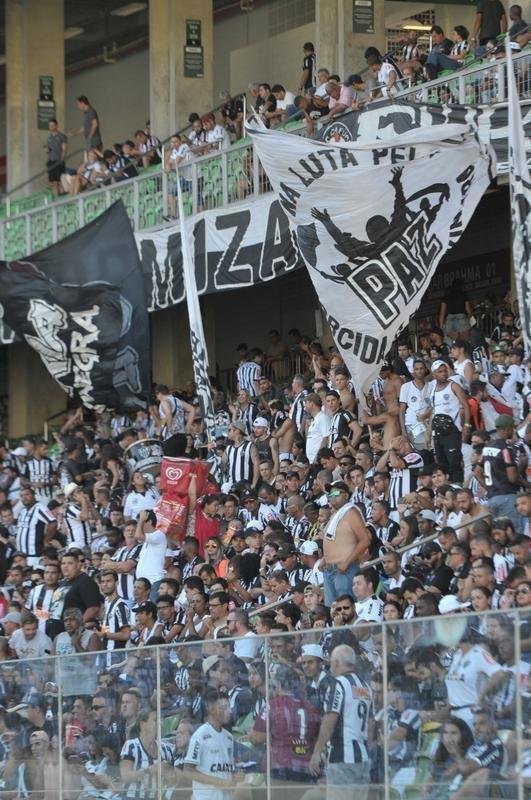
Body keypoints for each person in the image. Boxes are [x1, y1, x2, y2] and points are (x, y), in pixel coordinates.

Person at [309, 644, 372, 799]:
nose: (330, 667)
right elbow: (371, 723)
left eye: (330, 662)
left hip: (342, 757)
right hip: (363, 758)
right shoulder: (365, 686)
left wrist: (317, 752)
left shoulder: (339, 684)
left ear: (336, 663)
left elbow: (330, 719)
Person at [322, 480, 370, 606]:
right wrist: (324, 559)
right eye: (330, 494)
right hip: (330, 569)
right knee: (333, 611)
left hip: (345, 569)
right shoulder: (336, 515)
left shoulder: (351, 512)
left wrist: (347, 562)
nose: (332, 496)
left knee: (346, 608)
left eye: (337, 493)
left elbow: (365, 540)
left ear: (346, 495)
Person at [184, 688, 237, 799]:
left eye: (229, 707)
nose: (229, 711)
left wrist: (236, 777)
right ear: (212, 709)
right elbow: (188, 771)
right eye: (224, 707)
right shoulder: (200, 736)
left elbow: (226, 770)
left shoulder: (229, 737)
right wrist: (220, 782)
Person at [45, 118, 67, 197]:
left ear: (56, 126)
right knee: (53, 182)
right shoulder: (49, 138)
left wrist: (61, 160)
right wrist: (47, 150)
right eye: (50, 126)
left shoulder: (62, 136)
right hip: (51, 161)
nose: (51, 127)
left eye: (52, 125)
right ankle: (56, 198)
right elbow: (48, 150)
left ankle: (63, 197)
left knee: (60, 181)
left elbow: (64, 149)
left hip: (58, 161)